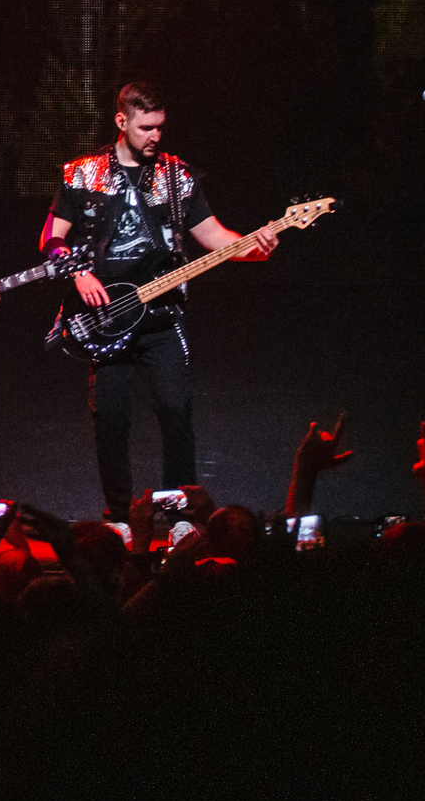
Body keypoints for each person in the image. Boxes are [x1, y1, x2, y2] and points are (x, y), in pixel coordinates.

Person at [38, 81, 274, 523]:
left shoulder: (177, 175)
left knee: (175, 411)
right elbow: (52, 237)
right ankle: (118, 517)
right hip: (106, 317)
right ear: (121, 121)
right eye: (146, 127)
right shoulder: (82, 174)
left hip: (162, 315)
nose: (155, 136)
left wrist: (252, 247)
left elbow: (213, 236)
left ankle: (180, 517)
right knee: (110, 418)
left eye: (160, 128)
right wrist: (79, 273)